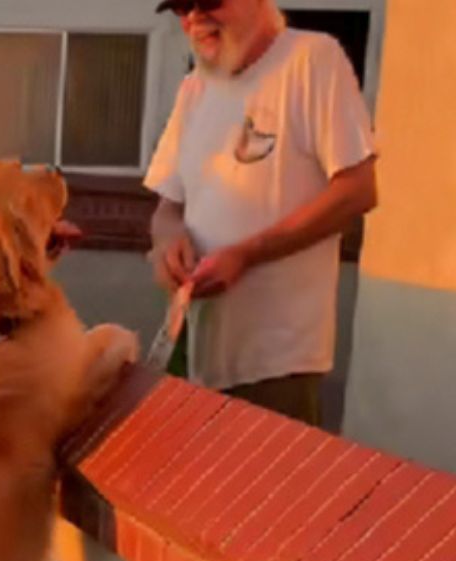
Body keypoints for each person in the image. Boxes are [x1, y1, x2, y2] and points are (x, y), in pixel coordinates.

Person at [145, 0, 377, 425]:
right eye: (180, 6)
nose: (194, 17)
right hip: (192, 347)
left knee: (269, 490)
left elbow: (357, 191)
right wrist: (167, 243)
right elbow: (167, 206)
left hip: (275, 362)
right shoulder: (195, 87)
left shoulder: (311, 59)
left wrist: (246, 254)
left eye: (209, 1)